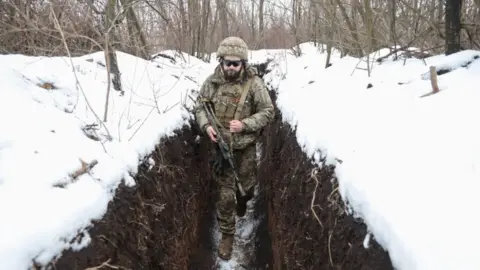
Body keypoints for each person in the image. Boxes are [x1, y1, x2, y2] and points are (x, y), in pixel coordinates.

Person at [193, 36, 275, 260]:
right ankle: (227, 235)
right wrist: (206, 125)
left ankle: (244, 201)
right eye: (227, 62)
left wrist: (245, 124)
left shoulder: (254, 85)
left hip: (246, 147)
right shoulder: (211, 83)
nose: (230, 67)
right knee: (225, 194)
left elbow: (268, 111)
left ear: (243, 63)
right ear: (220, 61)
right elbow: (200, 106)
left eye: (235, 63)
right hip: (221, 148)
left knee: (247, 188)